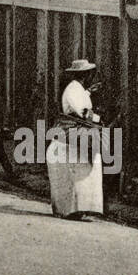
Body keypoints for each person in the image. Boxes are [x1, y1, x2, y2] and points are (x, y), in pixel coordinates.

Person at [46, 59, 104, 220]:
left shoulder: (78, 89)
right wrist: (100, 119)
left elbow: (80, 100)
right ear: (85, 75)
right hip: (73, 131)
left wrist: (89, 92)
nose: (91, 77)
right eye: (90, 74)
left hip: (77, 132)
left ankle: (80, 208)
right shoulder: (73, 90)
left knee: (83, 169)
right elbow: (83, 112)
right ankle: (71, 209)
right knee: (76, 171)